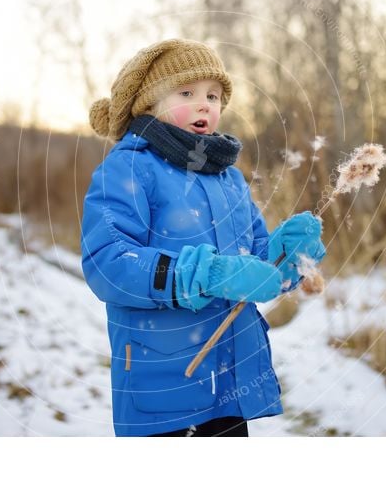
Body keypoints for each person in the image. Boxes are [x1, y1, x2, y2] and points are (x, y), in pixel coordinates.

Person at [80, 38, 326, 437]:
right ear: (150, 103)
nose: (204, 104)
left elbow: (255, 264)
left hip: (230, 383)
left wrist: (287, 257)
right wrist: (205, 275)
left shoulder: (227, 177)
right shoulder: (128, 168)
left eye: (213, 95)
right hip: (163, 383)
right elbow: (107, 263)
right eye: (187, 92)